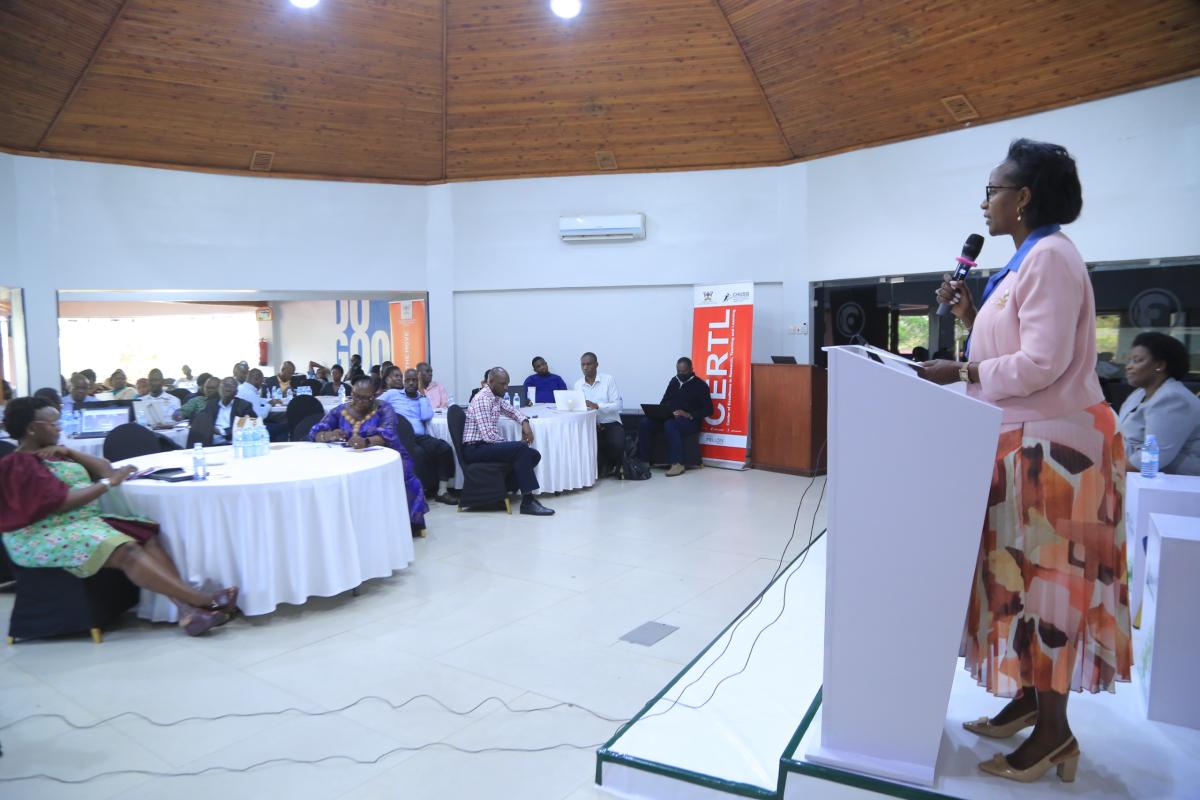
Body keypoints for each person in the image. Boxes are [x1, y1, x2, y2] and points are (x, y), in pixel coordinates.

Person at [921, 139, 1129, 784]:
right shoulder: (1023, 263)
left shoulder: (1053, 259)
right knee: (1018, 582)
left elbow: (1041, 365)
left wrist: (958, 368)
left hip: (1060, 453)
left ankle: (1055, 734)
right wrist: (970, 315)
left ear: (1024, 197)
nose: (985, 201)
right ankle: (1028, 699)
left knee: (1050, 590)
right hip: (1022, 440)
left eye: (992, 189)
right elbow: (1019, 350)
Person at [0, 397, 237, 635]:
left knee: (146, 534)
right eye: (53, 423)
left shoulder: (54, 453)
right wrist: (106, 485)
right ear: (32, 428)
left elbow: (106, 469)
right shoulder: (19, 464)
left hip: (76, 524)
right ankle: (200, 599)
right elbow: (59, 504)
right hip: (39, 535)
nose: (60, 427)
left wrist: (70, 451)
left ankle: (188, 613)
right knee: (127, 549)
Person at [309, 377, 429, 531]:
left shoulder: (384, 409)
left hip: (387, 454)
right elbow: (316, 431)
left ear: (374, 396)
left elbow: (387, 434)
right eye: (356, 396)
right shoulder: (340, 411)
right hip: (347, 457)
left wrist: (365, 442)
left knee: (404, 475)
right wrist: (328, 435)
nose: (359, 401)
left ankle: (401, 524)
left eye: (365, 398)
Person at [462, 368, 554, 516]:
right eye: (503, 384)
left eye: (507, 384)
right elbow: (489, 436)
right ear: (491, 382)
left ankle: (500, 492)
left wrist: (525, 422)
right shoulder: (482, 400)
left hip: (485, 445)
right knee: (521, 449)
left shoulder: (495, 396)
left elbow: (512, 411)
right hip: (475, 449)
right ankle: (528, 502)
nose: (506, 388)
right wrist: (515, 444)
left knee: (533, 455)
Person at [1118, 332, 1200, 475]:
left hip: (1171, 485)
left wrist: (1108, 469)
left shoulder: (1173, 399)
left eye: (1137, 360)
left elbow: (1154, 456)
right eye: (1129, 360)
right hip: (1136, 476)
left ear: (1160, 366)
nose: (1128, 367)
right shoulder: (1139, 394)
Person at [379, 368, 457, 504]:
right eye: (407, 380)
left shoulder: (421, 398)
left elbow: (426, 415)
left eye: (414, 380)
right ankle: (419, 492)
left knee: (444, 448)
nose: (410, 383)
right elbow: (375, 404)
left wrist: (421, 395)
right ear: (403, 382)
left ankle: (442, 491)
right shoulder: (392, 394)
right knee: (418, 454)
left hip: (420, 436)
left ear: (418, 382)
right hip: (402, 436)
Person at [637, 357, 713, 477]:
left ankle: (677, 463)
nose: (681, 374)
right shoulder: (674, 381)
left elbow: (709, 410)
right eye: (679, 372)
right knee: (646, 423)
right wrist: (662, 411)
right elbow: (664, 401)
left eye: (684, 371)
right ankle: (644, 460)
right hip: (670, 417)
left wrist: (688, 414)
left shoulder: (700, 385)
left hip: (689, 422)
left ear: (691, 369)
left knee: (670, 424)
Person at [574, 352, 624, 477]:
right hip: (590, 424)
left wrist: (598, 406)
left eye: (588, 364)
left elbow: (618, 405)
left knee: (617, 444)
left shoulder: (608, 380)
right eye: (583, 365)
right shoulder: (578, 384)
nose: (585, 367)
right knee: (583, 441)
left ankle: (611, 464)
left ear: (596, 364)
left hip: (610, 422)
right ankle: (600, 467)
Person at [203, 377, 258, 444]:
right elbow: (205, 423)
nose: (227, 389)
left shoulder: (244, 406)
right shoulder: (211, 404)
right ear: (219, 389)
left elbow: (242, 426)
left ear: (236, 392)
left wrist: (221, 431)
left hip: (234, 442)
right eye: (225, 385)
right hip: (212, 442)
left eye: (231, 386)